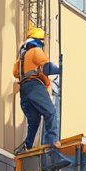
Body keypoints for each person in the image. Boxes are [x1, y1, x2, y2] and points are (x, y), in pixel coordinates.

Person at [12, 25, 62, 155]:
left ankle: (28, 146)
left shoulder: (21, 59)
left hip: (24, 91)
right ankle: (51, 141)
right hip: (35, 86)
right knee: (50, 112)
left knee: (34, 121)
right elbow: (47, 68)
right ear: (39, 41)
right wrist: (60, 69)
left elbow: (15, 73)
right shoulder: (36, 51)